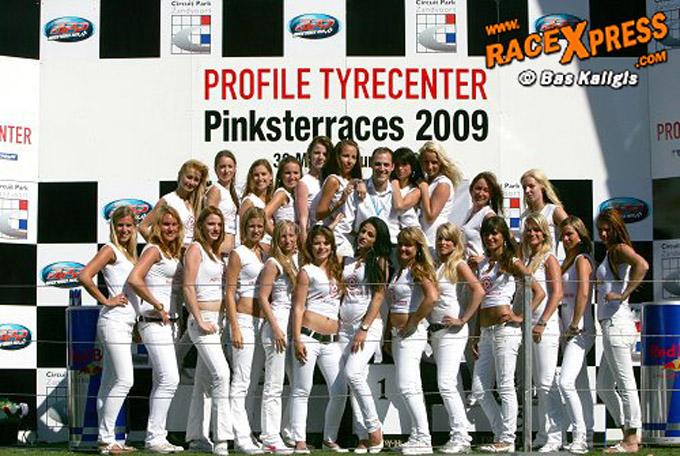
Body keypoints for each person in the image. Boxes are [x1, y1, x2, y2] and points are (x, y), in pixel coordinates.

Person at [470, 216, 544, 454]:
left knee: (505, 385)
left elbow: (538, 291)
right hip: (485, 331)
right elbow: (480, 302)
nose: (490, 238)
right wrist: (475, 334)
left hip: (506, 331)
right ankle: (500, 433)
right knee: (479, 389)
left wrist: (521, 317)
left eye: (495, 233)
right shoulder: (483, 264)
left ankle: (507, 439)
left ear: (503, 236)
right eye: (487, 234)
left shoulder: (512, 261)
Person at [78, 206, 139, 455]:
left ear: (134, 227)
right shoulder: (110, 249)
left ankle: (107, 440)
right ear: (113, 227)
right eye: (120, 225)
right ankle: (106, 439)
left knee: (109, 383)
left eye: (128, 225)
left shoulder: (130, 254)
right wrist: (106, 300)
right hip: (113, 321)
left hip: (125, 323)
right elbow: (84, 275)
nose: (124, 230)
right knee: (125, 380)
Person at [127, 206, 184, 453]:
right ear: (157, 227)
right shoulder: (153, 249)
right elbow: (134, 279)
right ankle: (154, 437)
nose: (170, 228)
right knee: (170, 378)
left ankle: (157, 435)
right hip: (153, 321)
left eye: (174, 224)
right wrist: (157, 304)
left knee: (162, 379)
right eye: (165, 224)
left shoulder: (174, 253)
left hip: (170, 324)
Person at [289, 225, 347, 454]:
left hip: (332, 340)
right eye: (317, 243)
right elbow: (298, 307)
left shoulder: (338, 270)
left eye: (325, 243)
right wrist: (296, 339)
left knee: (339, 390)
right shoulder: (307, 271)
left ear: (332, 246)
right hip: (309, 336)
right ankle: (299, 440)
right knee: (302, 389)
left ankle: (329, 439)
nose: (321, 247)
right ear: (310, 247)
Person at [595, 209, 648, 453]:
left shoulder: (618, 249)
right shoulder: (611, 252)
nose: (603, 234)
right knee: (604, 386)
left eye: (608, 229)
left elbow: (642, 265)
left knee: (625, 384)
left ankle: (631, 438)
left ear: (617, 229)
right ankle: (628, 431)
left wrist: (624, 293)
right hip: (612, 324)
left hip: (617, 324)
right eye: (601, 230)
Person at [429, 223, 484, 454]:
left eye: (448, 239)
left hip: (452, 332)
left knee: (445, 383)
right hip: (436, 331)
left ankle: (461, 436)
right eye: (440, 238)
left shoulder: (458, 264)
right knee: (454, 384)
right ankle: (460, 434)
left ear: (455, 243)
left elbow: (479, 290)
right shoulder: (437, 265)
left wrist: (463, 319)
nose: (443, 243)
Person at [339, 217, 391, 453]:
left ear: (377, 240)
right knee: (353, 379)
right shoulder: (348, 260)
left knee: (353, 373)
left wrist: (364, 328)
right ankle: (362, 436)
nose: (364, 236)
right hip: (344, 328)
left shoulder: (379, 261)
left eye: (370, 234)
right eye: (362, 232)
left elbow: (378, 297)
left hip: (367, 327)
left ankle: (374, 429)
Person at [182, 207, 230, 456]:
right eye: (211, 224)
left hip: (217, 322)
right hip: (202, 321)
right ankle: (222, 439)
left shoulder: (215, 252)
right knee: (222, 375)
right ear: (201, 225)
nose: (216, 229)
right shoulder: (195, 249)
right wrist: (199, 319)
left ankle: (196, 437)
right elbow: (187, 286)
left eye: (219, 224)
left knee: (203, 383)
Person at [387, 227, 439, 455]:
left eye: (408, 245)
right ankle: (418, 435)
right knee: (410, 386)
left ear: (418, 248)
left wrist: (413, 321)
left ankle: (424, 439)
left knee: (407, 386)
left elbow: (432, 297)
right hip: (398, 335)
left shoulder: (418, 268)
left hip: (411, 335)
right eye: (401, 244)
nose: (403, 249)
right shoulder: (401, 270)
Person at [518, 213, 564, 453]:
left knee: (546, 381)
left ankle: (556, 436)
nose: (532, 234)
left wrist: (543, 322)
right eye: (529, 230)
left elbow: (557, 293)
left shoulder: (549, 258)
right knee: (536, 383)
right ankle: (543, 432)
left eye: (536, 230)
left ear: (545, 233)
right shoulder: (527, 258)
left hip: (545, 326)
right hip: (529, 325)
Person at [225, 207, 268, 455]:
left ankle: (248, 431)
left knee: (252, 382)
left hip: (261, 323)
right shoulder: (238, 253)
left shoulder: (264, 252)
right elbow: (229, 293)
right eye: (252, 226)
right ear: (244, 228)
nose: (256, 230)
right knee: (240, 381)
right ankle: (240, 437)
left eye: (260, 226)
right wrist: (235, 327)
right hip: (243, 320)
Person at [257, 220, 300, 454]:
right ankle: (269, 437)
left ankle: (287, 431)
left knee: (295, 384)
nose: (288, 240)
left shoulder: (295, 262)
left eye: (291, 236)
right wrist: (275, 328)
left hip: (291, 326)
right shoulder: (273, 263)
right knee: (274, 385)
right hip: (277, 326)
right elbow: (263, 297)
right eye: (283, 236)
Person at [558, 216, 596, 454]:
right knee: (580, 384)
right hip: (567, 329)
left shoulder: (582, 259)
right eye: (563, 235)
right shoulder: (567, 260)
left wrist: (574, 323)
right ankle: (589, 434)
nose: (565, 239)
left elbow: (583, 293)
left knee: (565, 382)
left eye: (570, 234)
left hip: (579, 329)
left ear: (580, 236)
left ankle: (579, 437)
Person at [140, 159, 209, 245]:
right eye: (189, 177)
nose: (191, 182)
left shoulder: (197, 203)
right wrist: (161, 248)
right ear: (180, 175)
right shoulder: (168, 200)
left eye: (196, 180)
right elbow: (143, 227)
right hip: (176, 252)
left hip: (192, 251)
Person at [313, 139, 363, 257]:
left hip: (350, 237)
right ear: (337, 157)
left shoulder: (352, 181)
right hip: (336, 236)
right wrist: (340, 202)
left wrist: (360, 182)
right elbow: (319, 214)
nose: (349, 161)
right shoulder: (333, 180)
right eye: (345, 156)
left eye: (353, 157)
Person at [343, 148, 399, 246]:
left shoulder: (398, 195)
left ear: (392, 167)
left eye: (386, 165)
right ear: (371, 164)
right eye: (378, 164)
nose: (382, 169)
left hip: (391, 247)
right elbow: (345, 225)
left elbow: (411, 224)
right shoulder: (356, 191)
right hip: (362, 247)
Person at [418, 141, 462, 249]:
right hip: (424, 236)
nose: (430, 167)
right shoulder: (428, 182)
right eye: (426, 162)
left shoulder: (443, 183)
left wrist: (424, 190)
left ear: (441, 163)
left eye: (434, 162)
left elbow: (430, 216)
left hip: (435, 238)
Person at [520, 169, 567, 256]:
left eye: (531, 186)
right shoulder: (524, 216)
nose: (527, 191)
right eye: (524, 187)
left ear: (542, 186)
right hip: (528, 263)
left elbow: (572, 233)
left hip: (547, 262)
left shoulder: (554, 211)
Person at [462, 172, 503, 268]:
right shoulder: (469, 212)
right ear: (471, 190)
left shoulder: (488, 215)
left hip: (481, 269)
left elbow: (502, 242)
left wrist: (484, 258)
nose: (481, 193)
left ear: (490, 195)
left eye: (486, 190)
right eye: (478, 188)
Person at [296, 136, 332, 245]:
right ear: (309, 155)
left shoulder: (331, 180)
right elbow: (303, 221)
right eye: (317, 153)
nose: (321, 157)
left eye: (325, 154)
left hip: (333, 237)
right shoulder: (304, 182)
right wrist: (305, 246)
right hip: (315, 239)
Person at [206, 150, 239, 255]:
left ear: (235, 168)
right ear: (216, 169)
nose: (226, 170)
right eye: (222, 167)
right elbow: (209, 220)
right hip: (219, 248)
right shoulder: (215, 190)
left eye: (230, 166)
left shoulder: (233, 192)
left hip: (231, 249)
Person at [240, 159, 274, 247]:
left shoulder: (272, 200)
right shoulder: (249, 201)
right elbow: (243, 235)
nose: (260, 178)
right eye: (256, 175)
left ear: (270, 176)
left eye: (263, 174)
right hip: (258, 249)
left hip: (273, 249)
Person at [265, 156, 303, 233]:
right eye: (287, 173)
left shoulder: (295, 195)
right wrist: (276, 236)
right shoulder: (281, 194)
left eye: (295, 173)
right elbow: (264, 215)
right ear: (281, 175)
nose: (292, 177)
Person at [390, 147, 424, 233]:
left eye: (404, 164)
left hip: (412, 233)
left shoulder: (416, 190)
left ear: (412, 166)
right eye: (397, 165)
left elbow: (399, 206)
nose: (400, 168)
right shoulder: (387, 185)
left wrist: (394, 183)